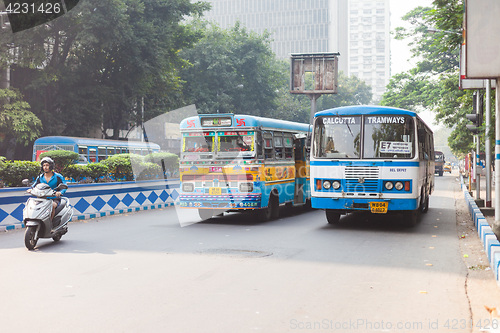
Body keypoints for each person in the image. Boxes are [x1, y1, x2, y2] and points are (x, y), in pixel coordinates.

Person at [28, 157, 67, 222]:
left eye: (47, 165)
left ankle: (50, 223)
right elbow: (34, 186)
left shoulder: (58, 176)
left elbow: (64, 186)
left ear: (51, 166)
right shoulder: (40, 177)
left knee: (52, 206)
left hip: (54, 198)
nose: (45, 167)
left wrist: (60, 192)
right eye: (44, 165)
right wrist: (30, 190)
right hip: (42, 198)